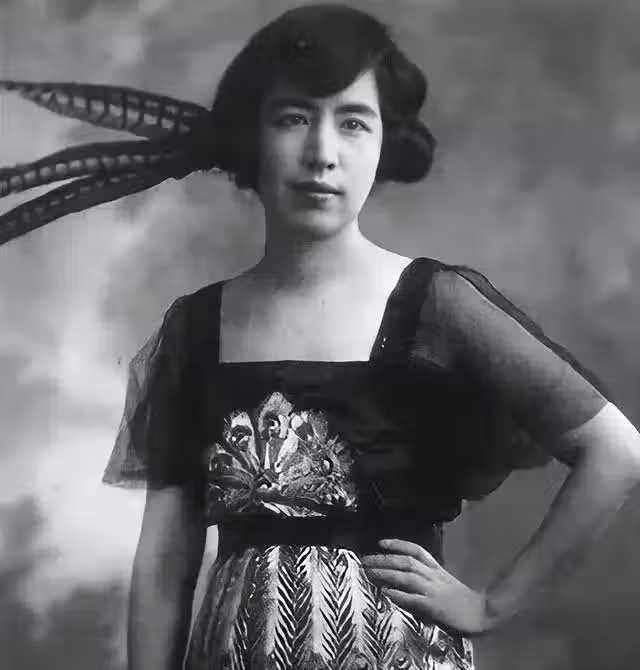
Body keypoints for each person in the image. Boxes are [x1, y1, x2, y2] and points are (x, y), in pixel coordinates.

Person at [2, 4, 640, 669]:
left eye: (354, 123)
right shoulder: (195, 328)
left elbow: (614, 450)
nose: (322, 154)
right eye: (293, 119)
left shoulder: (437, 304)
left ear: (384, 144)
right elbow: (165, 560)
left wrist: (491, 606)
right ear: (251, 138)